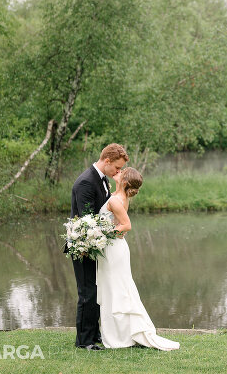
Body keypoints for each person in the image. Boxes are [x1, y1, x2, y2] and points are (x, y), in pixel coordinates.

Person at [96, 167, 180, 350]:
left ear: (125, 182)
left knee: (117, 289)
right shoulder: (117, 196)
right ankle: (119, 332)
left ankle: (120, 336)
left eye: (121, 172)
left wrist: (101, 235)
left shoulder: (116, 200)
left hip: (113, 249)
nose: (118, 172)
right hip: (113, 248)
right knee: (115, 288)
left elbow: (126, 225)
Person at [69, 143, 128, 350]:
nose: (118, 172)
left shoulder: (102, 180)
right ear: (107, 161)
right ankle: (84, 341)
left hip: (95, 244)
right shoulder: (86, 182)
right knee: (87, 292)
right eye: (117, 168)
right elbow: (87, 221)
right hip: (84, 246)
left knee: (97, 290)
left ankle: (94, 334)